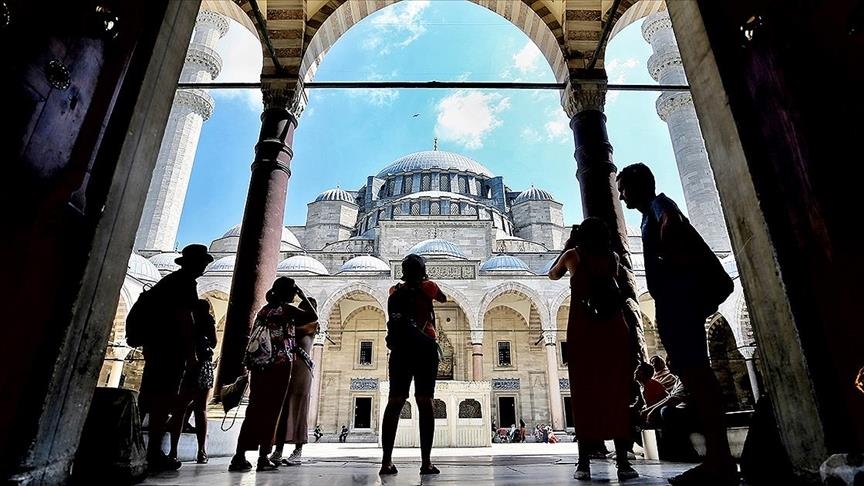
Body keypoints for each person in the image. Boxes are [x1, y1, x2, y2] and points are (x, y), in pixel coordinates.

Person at [618, 163, 737, 485]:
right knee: (694, 377)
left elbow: (672, 224)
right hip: (674, 303)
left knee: (699, 378)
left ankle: (719, 461)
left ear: (639, 185)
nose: (621, 197)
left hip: (679, 302)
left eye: (623, 189)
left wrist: (673, 272)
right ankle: (718, 458)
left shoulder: (660, 205)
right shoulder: (648, 214)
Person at [549, 218, 639, 481]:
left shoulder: (572, 255)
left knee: (584, 393)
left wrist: (568, 244)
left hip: (584, 328)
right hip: (613, 327)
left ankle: (583, 463)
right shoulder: (612, 257)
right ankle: (623, 462)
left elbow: (552, 274)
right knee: (617, 391)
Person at [228, 277, 317, 473]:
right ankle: (263, 458)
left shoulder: (264, 310)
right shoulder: (287, 310)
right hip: (279, 366)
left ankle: (239, 456)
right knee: (272, 412)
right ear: (288, 292)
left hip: (259, 366)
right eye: (292, 291)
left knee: (253, 410)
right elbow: (313, 316)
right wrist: (302, 295)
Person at [138, 244, 212, 472]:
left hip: (156, 348)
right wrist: (191, 356)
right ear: (195, 263)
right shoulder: (184, 283)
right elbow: (183, 319)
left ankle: (134, 447)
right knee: (161, 401)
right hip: (170, 351)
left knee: (148, 398)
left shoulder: (170, 281)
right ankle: (152, 454)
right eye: (202, 262)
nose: (204, 267)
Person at [379, 253, 447, 476]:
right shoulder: (429, 287)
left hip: (400, 350)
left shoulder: (394, 291)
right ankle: (426, 463)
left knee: (395, 402)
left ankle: (386, 462)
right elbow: (443, 298)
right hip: (425, 348)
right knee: (425, 402)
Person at [167, 298, 218, 464]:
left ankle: (173, 451)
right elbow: (214, 342)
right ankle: (202, 451)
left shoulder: (187, 320)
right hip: (204, 365)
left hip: (188, 365)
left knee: (180, 408)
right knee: (200, 409)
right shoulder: (208, 320)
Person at [270, 297, 318, 466]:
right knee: (284, 408)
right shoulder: (292, 325)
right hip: (287, 368)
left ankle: (298, 451)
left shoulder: (312, 324)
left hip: (302, 371)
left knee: (299, 408)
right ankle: (278, 450)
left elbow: (296, 331)